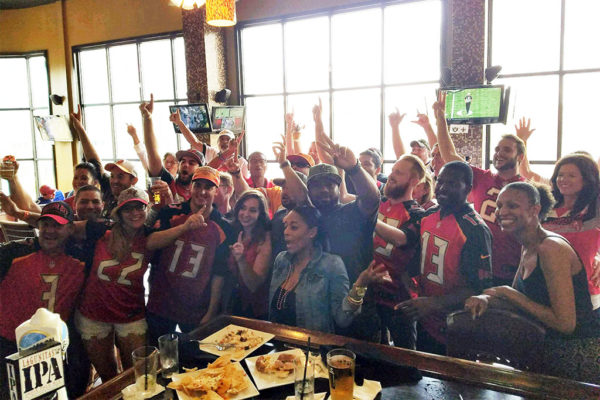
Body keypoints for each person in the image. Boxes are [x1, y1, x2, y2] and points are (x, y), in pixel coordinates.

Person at [465, 182, 600, 383]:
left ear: (535, 209)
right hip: (544, 351)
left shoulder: (550, 248)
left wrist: (506, 292)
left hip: (576, 356)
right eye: (500, 205)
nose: (502, 211)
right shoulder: (529, 245)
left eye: (512, 206)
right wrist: (486, 299)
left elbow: (565, 324)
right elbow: (519, 301)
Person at [395, 161, 493, 355]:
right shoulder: (428, 215)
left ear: (468, 189)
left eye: (453, 183)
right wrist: (407, 282)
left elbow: (479, 289)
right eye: (440, 181)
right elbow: (418, 260)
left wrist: (433, 303)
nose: (442, 188)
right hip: (425, 318)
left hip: (456, 325)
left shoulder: (474, 229)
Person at [0, 200, 89, 398]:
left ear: (70, 229)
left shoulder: (82, 258)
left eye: (57, 225)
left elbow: (100, 228)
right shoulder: (14, 253)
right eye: (45, 224)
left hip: (56, 345)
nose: (49, 231)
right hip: (10, 345)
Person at [434, 91, 525, 286]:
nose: (499, 153)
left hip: (512, 271)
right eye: (497, 149)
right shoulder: (483, 178)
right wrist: (440, 119)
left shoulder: (526, 189)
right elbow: (450, 155)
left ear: (520, 157)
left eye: (506, 150)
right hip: (476, 264)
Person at [145, 166, 235, 342]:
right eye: (198, 185)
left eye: (208, 187)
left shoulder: (224, 226)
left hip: (196, 307)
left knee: (194, 360)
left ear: (216, 191)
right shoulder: (170, 211)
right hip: (162, 301)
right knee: (158, 356)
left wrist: (211, 312)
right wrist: (184, 227)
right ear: (191, 188)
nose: (202, 191)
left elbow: (219, 273)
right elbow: (150, 243)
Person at [270, 205, 387, 333]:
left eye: (294, 227)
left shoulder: (331, 265)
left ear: (312, 232)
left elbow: (343, 319)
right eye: (285, 226)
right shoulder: (282, 260)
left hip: (311, 348)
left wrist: (360, 285)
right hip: (277, 345)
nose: (286, 232)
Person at [370, 154, 427, 349]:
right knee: (373, 351)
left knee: (405, 358)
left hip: (398, 298)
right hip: (370, 291)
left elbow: (401, 239)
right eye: (393, 170)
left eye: (399, 173)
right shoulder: (380, 202)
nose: (392, 176)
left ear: (413, 181)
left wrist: (370, 218)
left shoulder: (417, 213)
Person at [541, 154, 600, 314]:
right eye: (560, 175)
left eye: (571, 175)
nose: (563, 179)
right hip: (543, 291)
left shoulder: (594, 208)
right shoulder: (545, 207)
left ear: (587, 180)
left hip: (584, 293)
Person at [141, 94, 205, 203]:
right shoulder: (168, 184)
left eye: (192, 163)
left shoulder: (204, 193)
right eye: (183, 161)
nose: (185, 165)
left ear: (200, 169)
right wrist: (147, 119)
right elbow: (152, 153)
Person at [228, 190, 272, 320]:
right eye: (243, 208)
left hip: (256, 310)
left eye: (252, 210)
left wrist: (241, 259)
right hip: (233, 304)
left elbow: (254, 285)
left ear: (260, 214)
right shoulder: (234, 231)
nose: (246, 214)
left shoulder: (265, 238)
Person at [170, 108, 249, 179]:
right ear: (217, 143)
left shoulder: (242, 162)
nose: (224, 142)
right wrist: (179, 123)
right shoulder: (212, 152)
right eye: (221, 139)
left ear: (234, 143)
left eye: (228, 139)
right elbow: (194, 142)